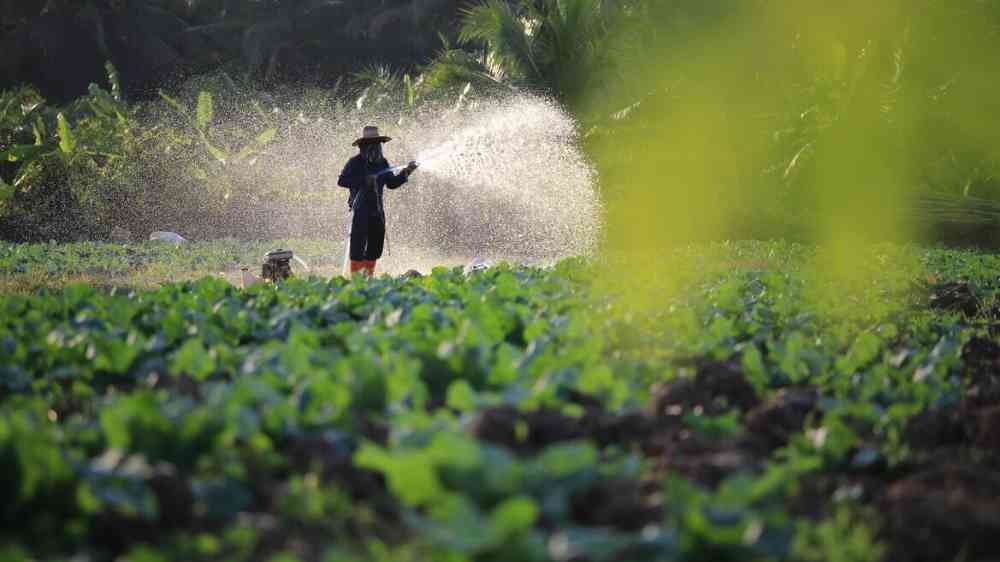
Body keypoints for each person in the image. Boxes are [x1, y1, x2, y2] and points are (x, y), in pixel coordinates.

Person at [338, 126, 418, 277]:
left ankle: (368, 278)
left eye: (377, 143)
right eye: (371, 144)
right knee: (358, 247)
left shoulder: (383, 163)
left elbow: (392, 183)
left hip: (377, 211)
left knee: (375, 246)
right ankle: (357, 281)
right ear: (363, 146)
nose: (375, 147)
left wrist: (407, 171)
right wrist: (363, 181)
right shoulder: (354, 163)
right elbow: (342, 181)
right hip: (360, 210)